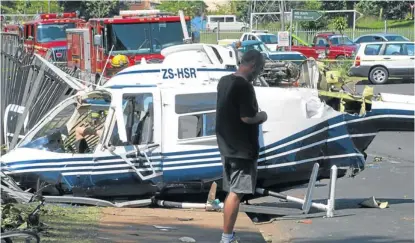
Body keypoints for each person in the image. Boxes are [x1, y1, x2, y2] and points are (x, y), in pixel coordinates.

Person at [215, 50, 267, 243]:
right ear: (252, 65)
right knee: (236, 193)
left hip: (226, 146)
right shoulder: (244, 87)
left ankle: (228, 235)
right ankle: (226, 237)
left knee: (232, 192)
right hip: (242, 150)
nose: (259, 73)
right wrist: (262, 116)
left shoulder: (224, 81)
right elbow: (246, 117)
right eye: (260, 69)